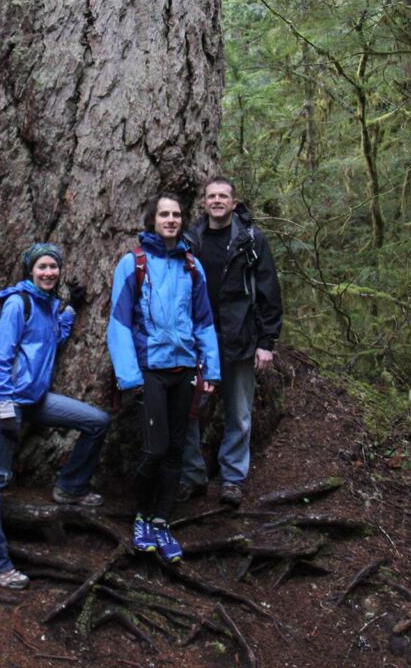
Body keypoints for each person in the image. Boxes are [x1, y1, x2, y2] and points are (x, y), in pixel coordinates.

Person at [0, 242, 110, 589]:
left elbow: (53, 339)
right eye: (42, 267)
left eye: (53, 267)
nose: (49, 272)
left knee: (96, 422)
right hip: (6, 402)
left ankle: (70, 487)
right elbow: (1, 360)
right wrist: (5, 408)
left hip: (35, 399)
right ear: (30, 271)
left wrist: (70, 310)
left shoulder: (48, 306)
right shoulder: (16, 305)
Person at [106, 192, 221, 562]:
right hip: (150, 371)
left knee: (175, 451)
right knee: (154, 449)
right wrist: (129, 376)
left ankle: (162, 520)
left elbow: (204, 322)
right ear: (152, 220)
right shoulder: (133, 263)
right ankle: (141, 516)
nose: (170, 220)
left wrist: (211, 370)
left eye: (175, 215)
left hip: (185, 369)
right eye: (163, 214)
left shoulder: (191, 266)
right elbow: (119, 323)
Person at [179, 175, 283, 506]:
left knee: (238, 412)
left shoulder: (251, 239)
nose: (217, 201)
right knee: (189, 410)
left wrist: (267, 341)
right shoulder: (191, 239)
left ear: (233, 203)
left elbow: (268, 290)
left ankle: (232, 479)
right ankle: (192, 475)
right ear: (204, 202)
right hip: (197, 341)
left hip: (240, 338)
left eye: (224, 196)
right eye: (212, 196)